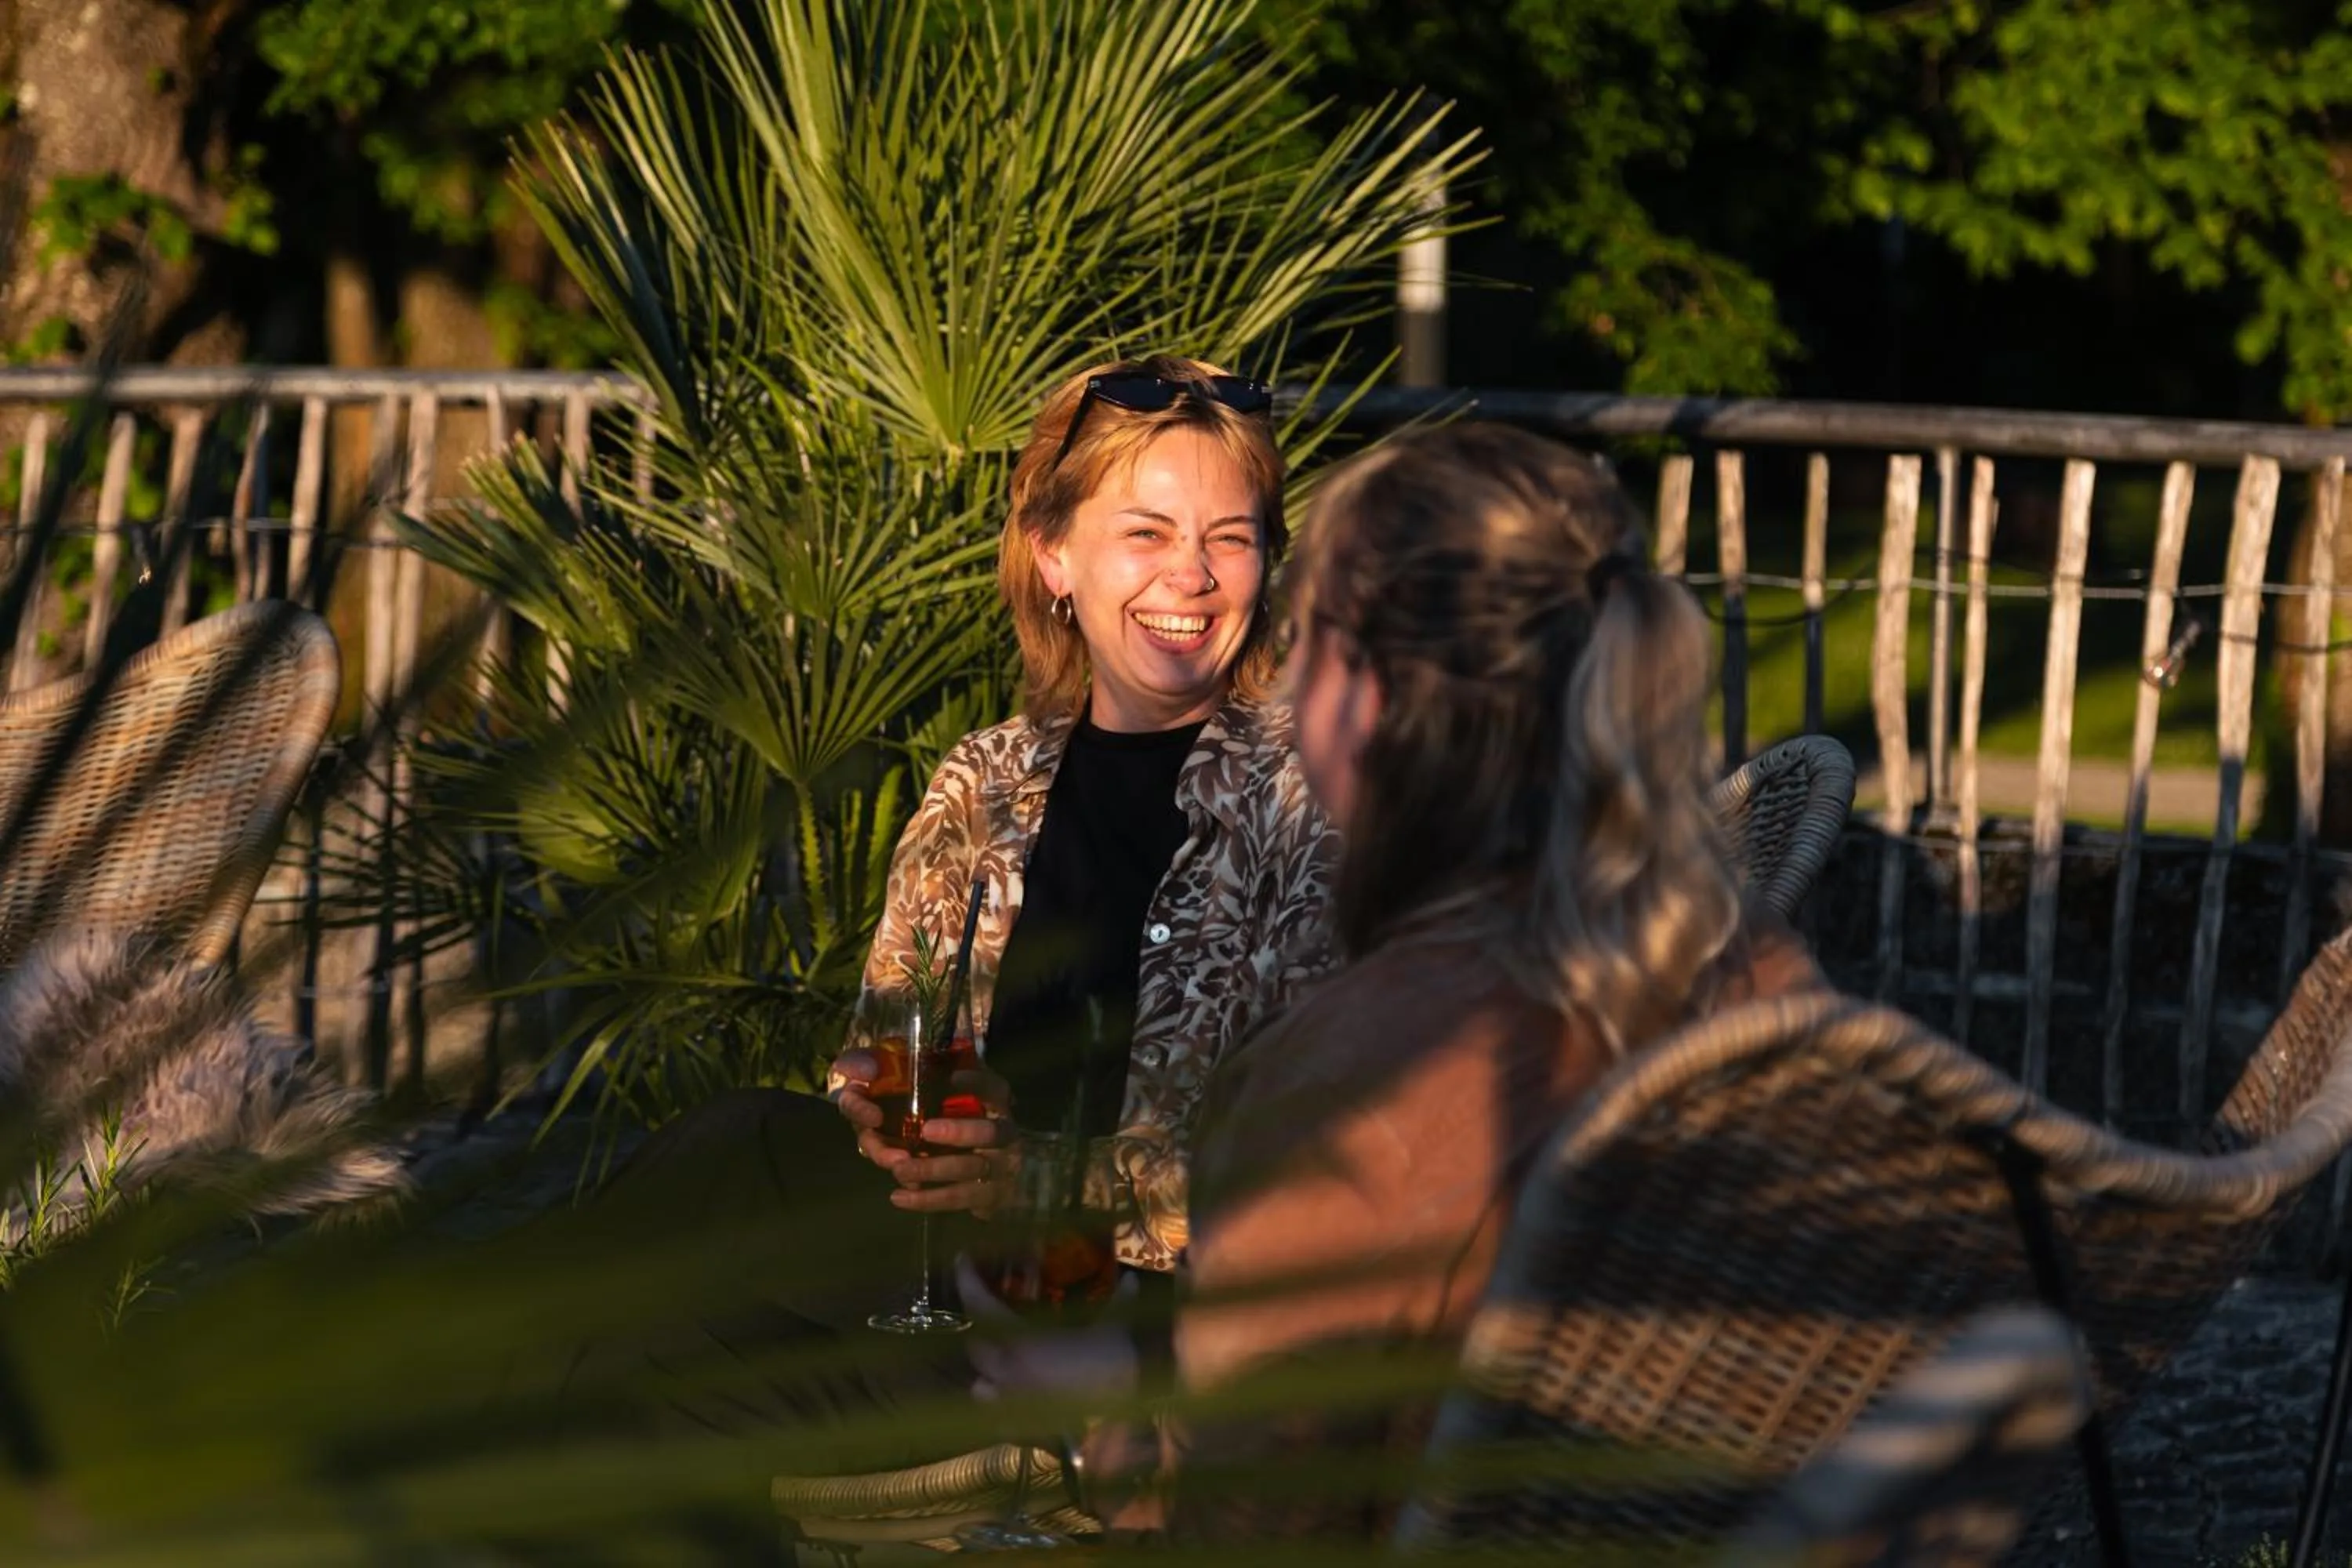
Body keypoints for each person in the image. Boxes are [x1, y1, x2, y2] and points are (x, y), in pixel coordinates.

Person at [553, 354, 1338, 1451]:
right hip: (941, 1290)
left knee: (732, 1167)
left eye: (1231, 537)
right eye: (1147, 533)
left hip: (1140, 1334)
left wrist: (1042, 1177)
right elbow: (884, 1057)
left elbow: (1318, 1181)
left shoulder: (1317, 808)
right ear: (1055, 555)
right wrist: (882, 1120)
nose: (1193, 577)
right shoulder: (985, 782)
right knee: (652, 1360)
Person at [1167, 423, 1828, 1540]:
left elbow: (1250, 1529)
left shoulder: (1346, 1083)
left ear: (1362, 700)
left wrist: (1092, 1428)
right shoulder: (1767, 978)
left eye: (1302, 645)